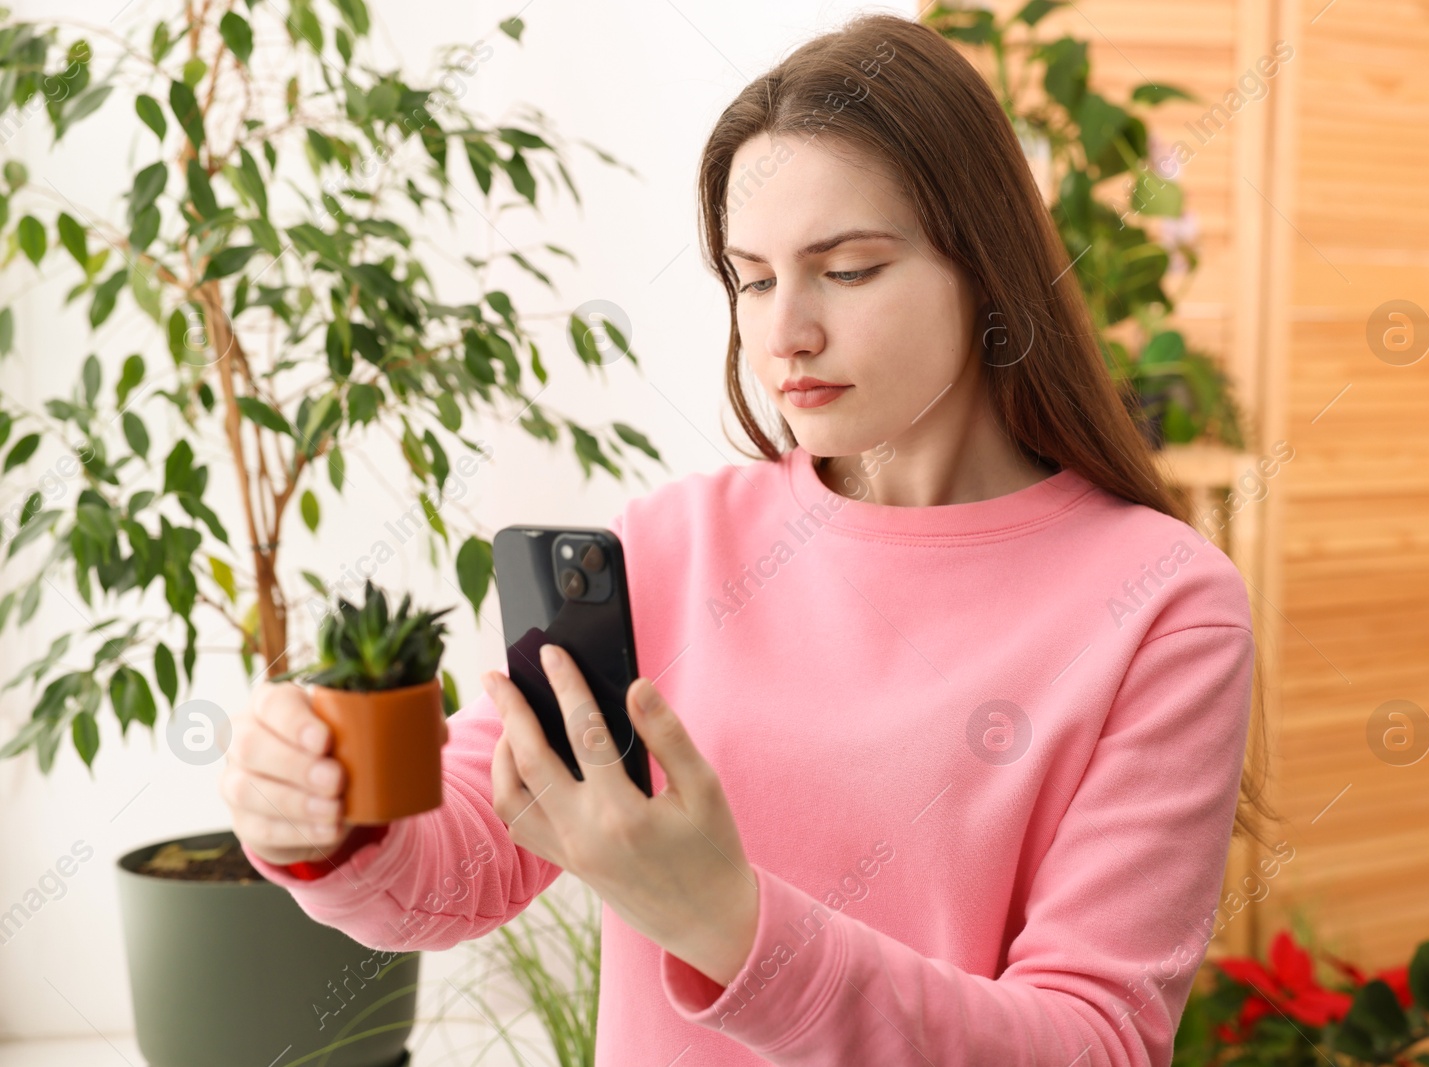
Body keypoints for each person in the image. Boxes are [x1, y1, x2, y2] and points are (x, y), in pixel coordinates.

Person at [223, 12, 1270, 1065]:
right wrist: (327, 821)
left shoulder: (1164, 605)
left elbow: (1089, 1044)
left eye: (848, 269)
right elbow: (464, 860)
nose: (783, 334)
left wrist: (729, 924)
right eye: (753, 278)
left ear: (987, 268)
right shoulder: (668, 547)